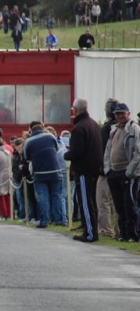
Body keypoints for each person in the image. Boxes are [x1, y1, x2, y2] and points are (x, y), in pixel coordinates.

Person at [64, 98, 102, 242]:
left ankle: (90, 233)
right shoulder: (93, 125)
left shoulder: (79, 128)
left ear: (76, 110)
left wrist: (67, 154)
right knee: (91, 201)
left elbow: (77, 151)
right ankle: (92, 230)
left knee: (85, 202)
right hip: (95, 169)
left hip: (84, 170)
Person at [103, 103, 140, 242]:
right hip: (114, 173)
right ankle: (123, 233)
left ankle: (133, 234)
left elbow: (138, 152)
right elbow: (107, 150)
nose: (120, 116)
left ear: (128, 114)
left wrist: (129, 171)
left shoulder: (134, 129)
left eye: (122, 113)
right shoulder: (114, 130)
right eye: (117, 114)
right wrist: (108, 170)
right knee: (119, 206)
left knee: (129, 205)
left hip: (127, 173)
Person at [23, 122, 63, 229]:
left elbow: (27, 157)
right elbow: (56, 149)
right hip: (55, 170)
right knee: (57, 196)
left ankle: (44, 221)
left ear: (31, 131)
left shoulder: (29, 141)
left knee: (42, 197)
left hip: (39, 173)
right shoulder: (50, 136)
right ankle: (60, 220)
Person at [97, 99, 119, 238]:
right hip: (121, 168)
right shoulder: (124, 127)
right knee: (118, 202)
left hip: (105, 169)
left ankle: (106, 230)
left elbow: (100, 149)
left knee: (103, 201)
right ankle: (120, 229)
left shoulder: (105, 129)